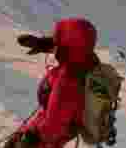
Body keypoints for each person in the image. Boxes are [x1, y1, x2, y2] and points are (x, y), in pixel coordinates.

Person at [6, 17, 102, 148]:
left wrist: (28, 141)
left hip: (48, 136)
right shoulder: (85, 60)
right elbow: (76, 45)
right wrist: (46, 44)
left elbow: (52, 129)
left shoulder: (68, 81)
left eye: (59, 39)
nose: (56, 42)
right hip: (59, 123)